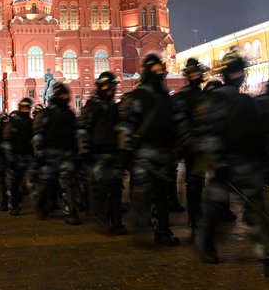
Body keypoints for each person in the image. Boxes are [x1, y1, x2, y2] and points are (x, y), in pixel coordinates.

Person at [194, 49, 269, 279]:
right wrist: (217, 161)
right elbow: (208, 133)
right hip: (226, 163)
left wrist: (267, 162)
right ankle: (206, 244)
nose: (239, 74)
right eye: (236, 70)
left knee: (257, 212)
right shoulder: (217, 99)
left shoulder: (247, 101)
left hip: (248, 164)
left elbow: (260, 133)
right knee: (213, 209)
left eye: (240, 70)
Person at [118, 54, 191, 246]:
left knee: (160, 193)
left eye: (161, 70)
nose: (159, 74)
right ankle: (140, 221)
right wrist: (126, 150)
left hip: (163, 153)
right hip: (144, 153)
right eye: (156, 70)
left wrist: (183, 144)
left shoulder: (167, 97)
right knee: (143, 191)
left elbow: (179, 123)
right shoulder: (139, 96)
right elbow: (127, 125)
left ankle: (162, 231)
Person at [78, 72, 127, 234]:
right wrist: (85, 151)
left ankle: (116, 223)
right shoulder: (92, 106)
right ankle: (103, 219)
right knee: (100, 188)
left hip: (114, 153)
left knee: (115, 189)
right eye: (105, 86)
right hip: (97, 154)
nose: (109, 89)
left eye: (111, 86)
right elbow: (83, 130)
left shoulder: (114, 107)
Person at [32, 83, 81, 224]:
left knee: (69, 183)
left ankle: (71, 213)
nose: (66, 98)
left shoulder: (69, 114)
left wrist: (77, 152)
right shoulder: (45, 114)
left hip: (66, 153)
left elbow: (76, 134)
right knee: (45, 182)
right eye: (63, 95)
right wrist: (39, 153)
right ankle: (40, 206)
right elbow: (38, 135)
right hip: (49, 153)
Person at [174, 58, 208, 237]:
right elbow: (181, 122)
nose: (196, 75)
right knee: (194, 183)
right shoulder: (184, 96)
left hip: (203, 146)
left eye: (197, 72)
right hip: (191, 147)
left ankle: (197, 217)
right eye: (192, 72)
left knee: (199, 181)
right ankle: (195, 219)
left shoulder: (203, 94)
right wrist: (188, 142)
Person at [1, 98, 35, 216]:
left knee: (36, 180)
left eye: (28, 108)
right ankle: (14, 206)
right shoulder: (13, 124)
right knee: (14, 183)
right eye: (24, 108)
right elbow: (6, 141)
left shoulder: (32, 123)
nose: (26, 110)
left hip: (29, 156)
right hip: (17, 157)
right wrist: (10, 158)